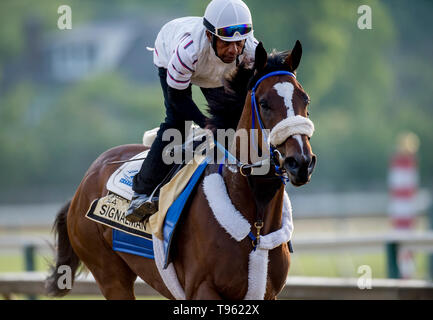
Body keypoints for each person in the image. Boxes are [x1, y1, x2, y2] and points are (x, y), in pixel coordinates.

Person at [126, 0, 258, 222]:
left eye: (239, 43)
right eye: (226, 43)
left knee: (232, 124)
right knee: (177, 122)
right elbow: (179, 100)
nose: (234, 50)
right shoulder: (187, 50)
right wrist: (206, 123)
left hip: (215, 71)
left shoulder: (251, 50)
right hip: (172, 55)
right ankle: (141, 191)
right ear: (209, 36)